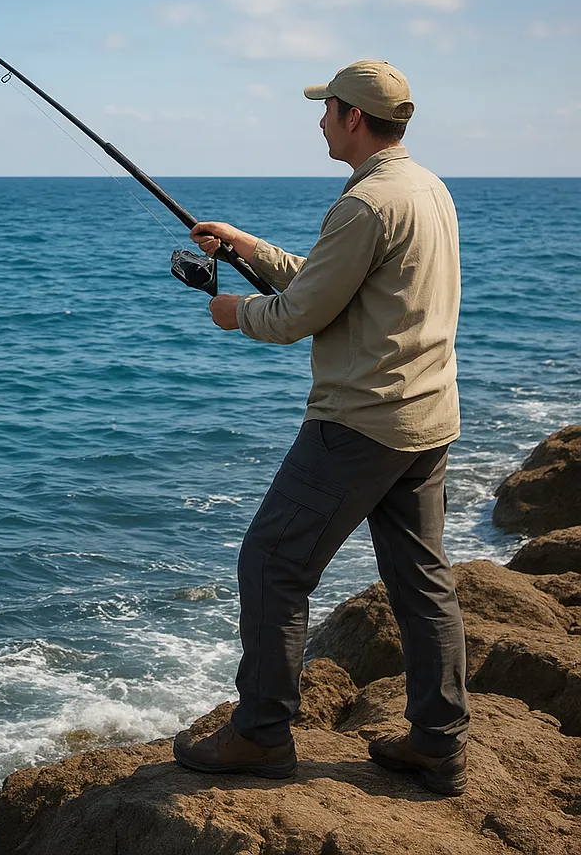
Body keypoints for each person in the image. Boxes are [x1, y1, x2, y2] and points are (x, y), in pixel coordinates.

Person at [171, 60, 470, 797]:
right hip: (425, 416)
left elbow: (303, 313)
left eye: (328, 108)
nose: (320, 120)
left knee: (272, 562)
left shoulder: (368, 203)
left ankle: (263, 735)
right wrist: (246, 245)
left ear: (356, 118)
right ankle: (439, 744)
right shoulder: (425, 187)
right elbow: (327, 279)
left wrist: (236, 311)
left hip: (362, 422)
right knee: (422, 581)